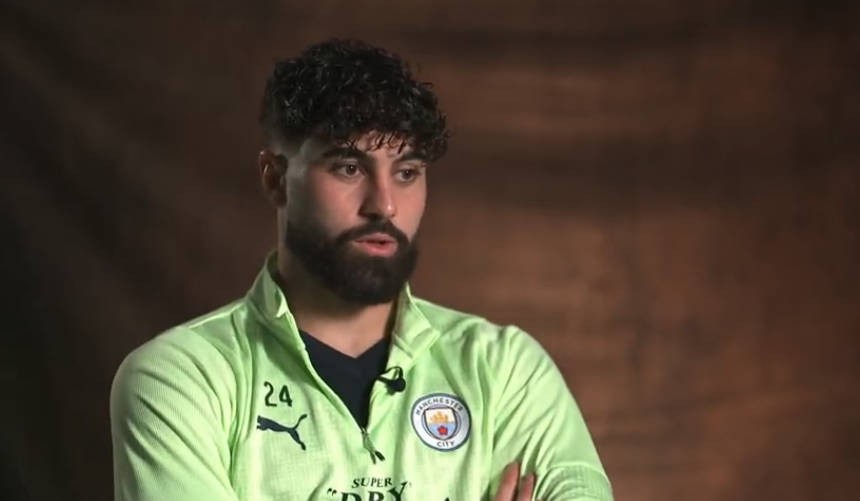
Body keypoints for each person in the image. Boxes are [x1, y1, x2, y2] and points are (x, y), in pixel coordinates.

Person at [110, 39, 613, 501]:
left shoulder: (505, 370)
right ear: (275, 178)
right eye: (349, 168)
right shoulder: (181, 378)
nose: (384, 205)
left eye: (407, 172)